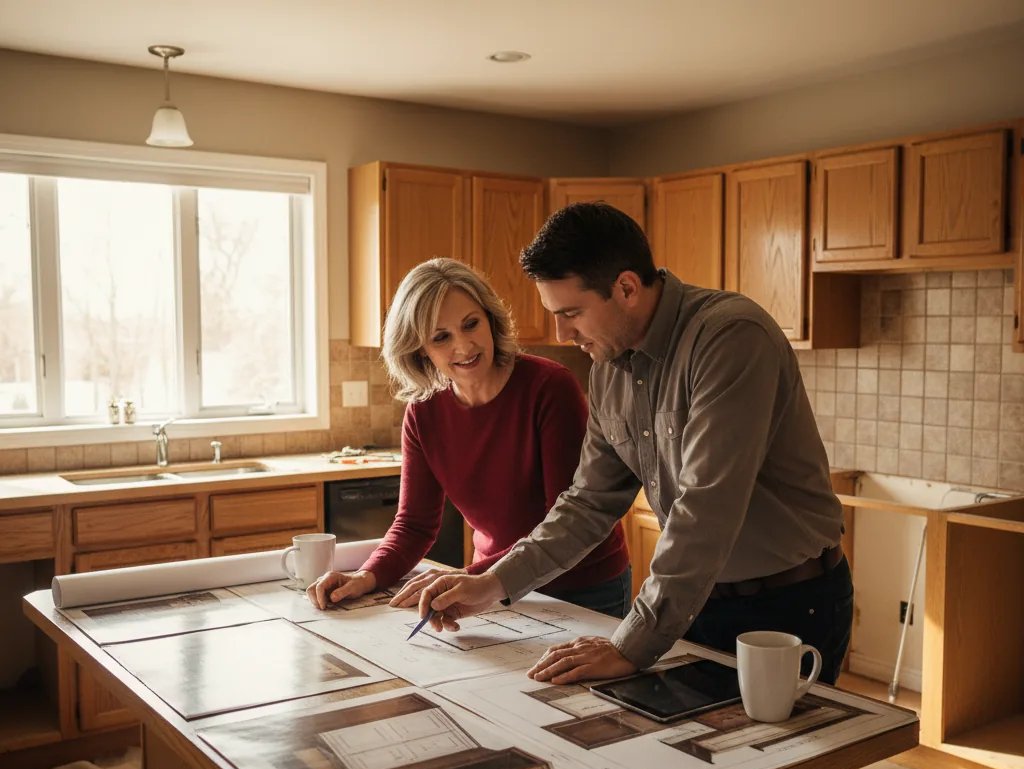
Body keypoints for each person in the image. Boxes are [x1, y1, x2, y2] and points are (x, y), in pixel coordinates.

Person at [415, 202, 853, 686]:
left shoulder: (729, 338)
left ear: (625, 288)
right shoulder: (609, 365)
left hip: (787, 607)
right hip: (693, 606)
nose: (562, 333)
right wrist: (494, 584)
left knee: (790, 761)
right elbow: (587, 503)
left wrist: (630, 643)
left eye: (572, 313)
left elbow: (705, 509)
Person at [306, 257, 632, 618]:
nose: (464, 347)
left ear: (490, 319)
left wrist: (466, 577)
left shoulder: (549, 388)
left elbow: (562, 522)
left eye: (471, 324)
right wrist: (367, 576)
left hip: (581, 585)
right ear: (420, 349)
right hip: (489, 583)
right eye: (441, 337)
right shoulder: (424, 413)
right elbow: (414, 525)